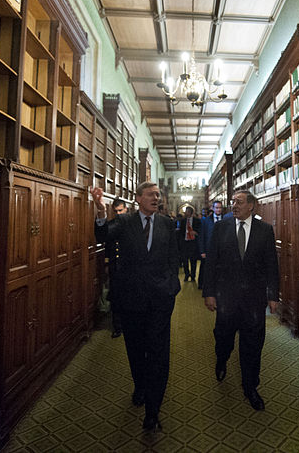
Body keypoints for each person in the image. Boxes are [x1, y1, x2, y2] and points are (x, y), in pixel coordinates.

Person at [93, 182, 179, 432]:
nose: (157, 198)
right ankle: (139, 385)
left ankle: (153, 411)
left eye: (158, 195)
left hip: (161, 300)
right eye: (151, 194)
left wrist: (172, 284)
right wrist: (100, 210)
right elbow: (103, 235)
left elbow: (174, 256)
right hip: (131, 299)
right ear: (138, 198)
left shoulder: (166, 223)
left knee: (159, 353)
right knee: (135, 349)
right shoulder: (125, 221)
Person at [203, 190, 279, 411]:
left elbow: (271, 265)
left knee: (253, 344)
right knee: (223, 337)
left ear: (251, 206)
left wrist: (273, 295)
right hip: (226, 297)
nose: (234, 205)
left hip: (254, 300)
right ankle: (221, 358)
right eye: (232, 201)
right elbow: (211, 263)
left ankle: (251, 387)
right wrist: (209, 292)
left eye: (239, 202)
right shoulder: (220, 228)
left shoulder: (264, 230)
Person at [106, 198, 128, 338]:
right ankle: (117, 326)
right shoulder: (111, 225)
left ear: (126, 209)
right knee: (116, 297)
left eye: (121, 210)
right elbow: (108, 245)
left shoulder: (133, 224)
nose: (119, 213)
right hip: (115, 266)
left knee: (129, 297)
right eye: (116, 211)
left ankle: (129, 324)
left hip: (130, 267)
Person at [198, 200, 226, 290]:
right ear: (213, 208)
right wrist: (202, 251)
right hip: (209, 249)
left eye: (220, 208)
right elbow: (202, 236)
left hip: (223, 250)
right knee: (207, 269)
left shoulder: (226, 220)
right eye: (217, 208)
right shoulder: (206, 221)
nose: (218, 210)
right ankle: (203, 285)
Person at [178, 206, 201, 282]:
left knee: (193, 260)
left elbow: (200, 230)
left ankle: (193, 276)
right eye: (186, 211)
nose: (186, 213)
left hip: (193, 243)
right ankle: (187, 274)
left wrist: (196, 232)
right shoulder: (183, 220)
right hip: (185, 242)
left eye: (188, 211)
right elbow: (180, 232)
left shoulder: (197, 220)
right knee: (185, 260)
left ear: (191, 212)